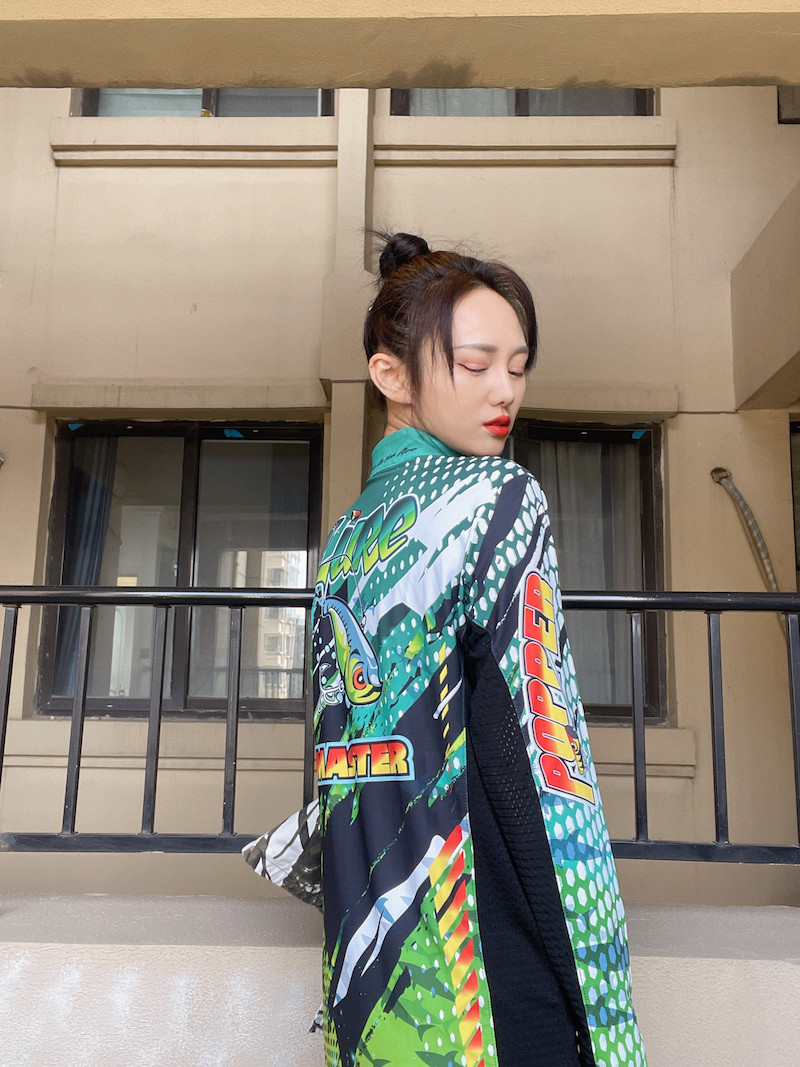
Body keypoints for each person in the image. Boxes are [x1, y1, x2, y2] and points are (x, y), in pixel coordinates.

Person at [245, 232, 647, 1067]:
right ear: (390, 375)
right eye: (476, 364)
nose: (506, 390)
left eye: (519, 366)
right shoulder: (499, 496)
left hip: (377, 982)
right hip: (492, 976)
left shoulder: (351, 534)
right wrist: (592, 1002)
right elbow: (530, 763)